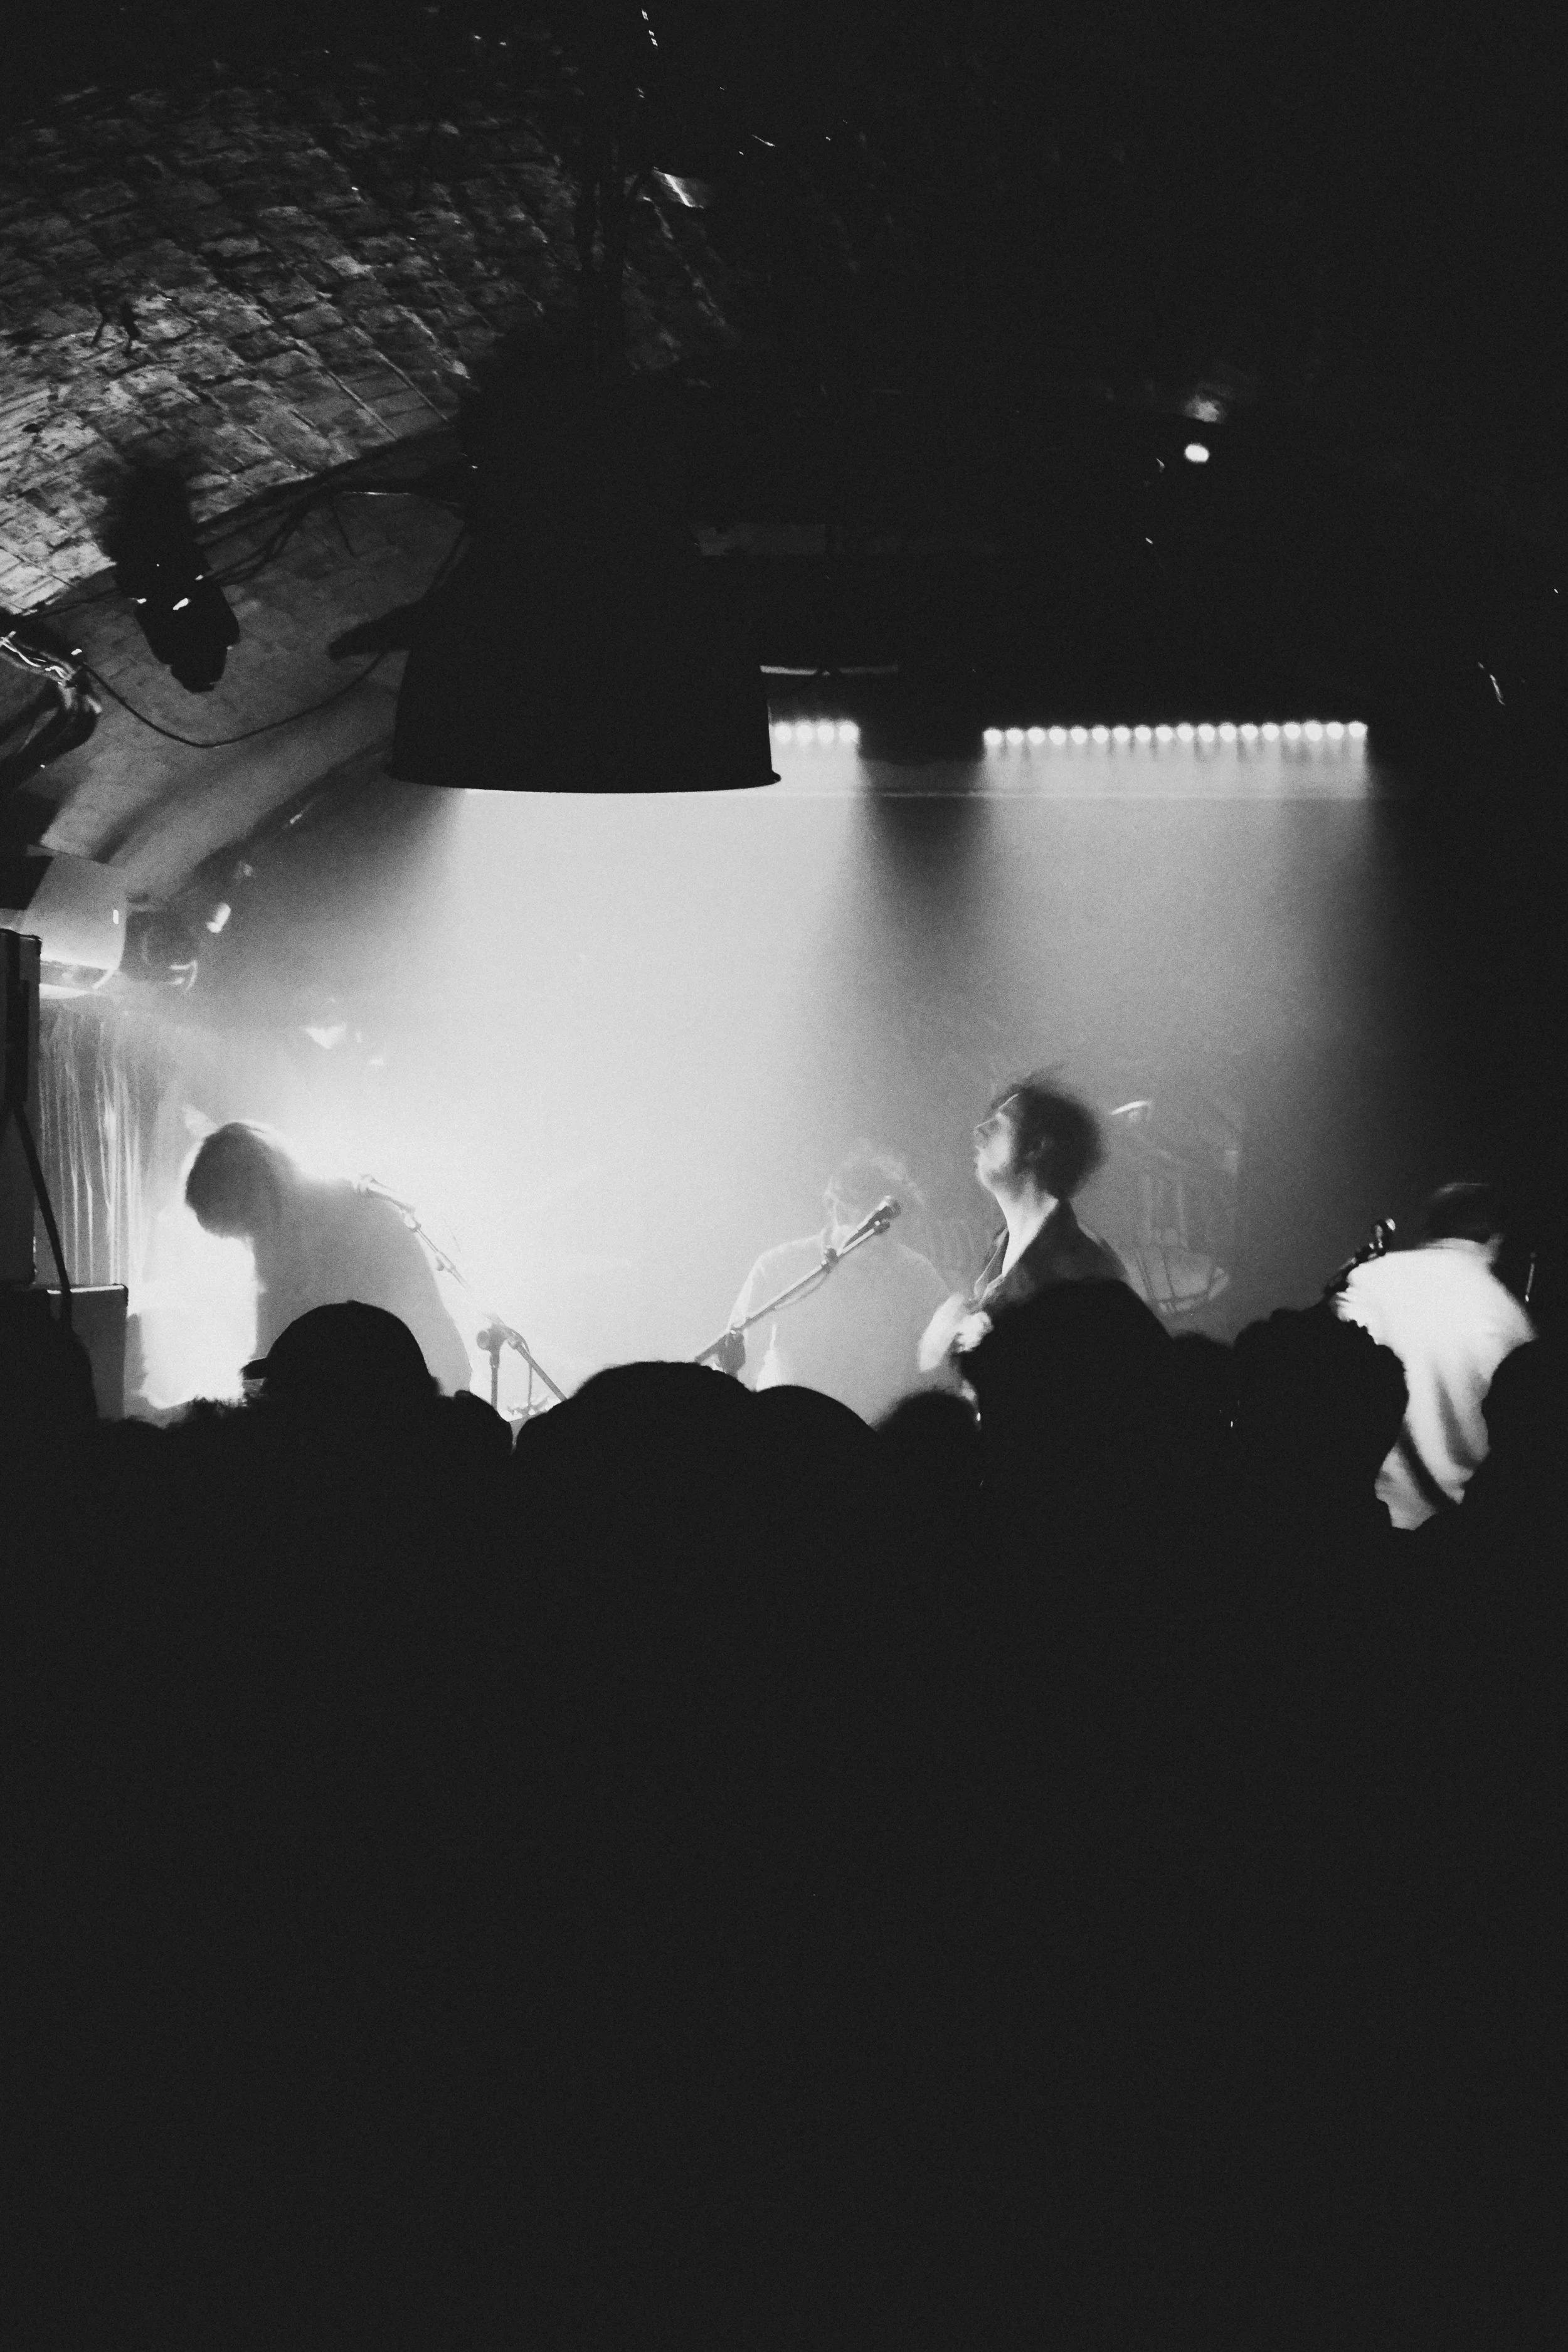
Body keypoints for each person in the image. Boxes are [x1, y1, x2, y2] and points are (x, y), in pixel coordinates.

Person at [183, 1121, 474, 1396]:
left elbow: (378, 1329)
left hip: (410, 1392)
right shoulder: (280, 1240)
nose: (249, 1236)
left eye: (246, 1221)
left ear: (258, 1186)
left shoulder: (354, 1214)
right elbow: (274, 1344)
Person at [1332, 1179, 1535, 1529]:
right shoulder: (1514, 1324)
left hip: (1354, 1521)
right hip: (1453, 1540)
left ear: (1428, 1226)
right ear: (1496, 1238)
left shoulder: (1369, 1280)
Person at [918, 1074, 1127, 1379]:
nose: (979, 1132)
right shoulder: (1001, 1247)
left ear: (1037, 1147)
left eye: (1000, 1123)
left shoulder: (1081, 1268)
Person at [726, 1147, 948, 1423]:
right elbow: (737, 1363)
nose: (890, 1236)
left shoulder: (915, 1272)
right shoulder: (779, 1266)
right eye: (880, 1224)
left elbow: (947, 1362)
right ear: (837, 1210)